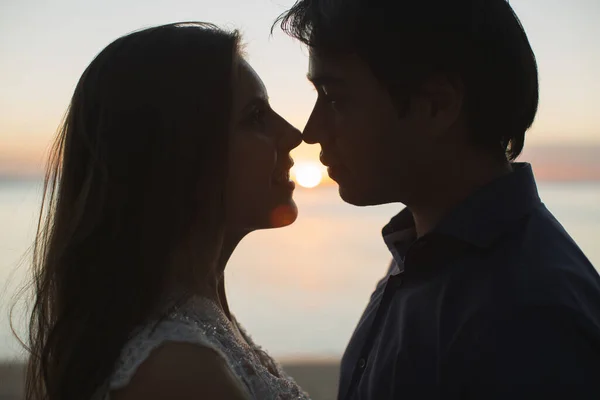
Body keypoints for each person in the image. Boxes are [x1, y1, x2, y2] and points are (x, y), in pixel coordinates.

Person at [276, 0, 600, 398]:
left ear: (437, 105)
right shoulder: (427, 254)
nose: (311, 131)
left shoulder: (529, 315)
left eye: (335, 97)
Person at [22, 22, 308, 400]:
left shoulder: (199, 318)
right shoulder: (180, 370)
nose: (293, 134)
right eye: (255, 117)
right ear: (179, 156)